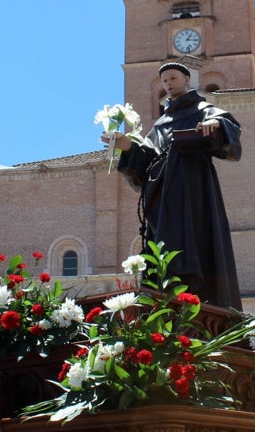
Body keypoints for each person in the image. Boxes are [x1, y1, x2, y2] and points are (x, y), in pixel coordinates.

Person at [104, 62, 243, 309]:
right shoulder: (161, 122)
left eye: (173, 78)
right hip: (165, 196)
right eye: (165, 81)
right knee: (165, 244)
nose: (168, 84)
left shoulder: (203, 109)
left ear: (187, 80)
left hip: (193, 188)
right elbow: (147, 159)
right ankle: (167, 299)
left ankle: (199, 297)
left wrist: (215, 126)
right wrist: (127, 146)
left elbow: (227, 128)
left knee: (196, 239)